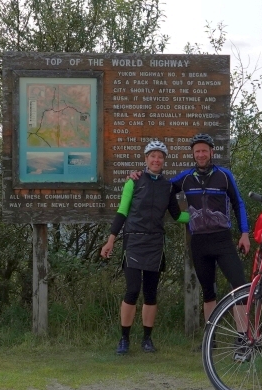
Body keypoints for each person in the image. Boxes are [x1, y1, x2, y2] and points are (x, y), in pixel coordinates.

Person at [127, 133, 251, 359]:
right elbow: (160, 186)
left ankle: (243, 341)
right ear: (193, 155)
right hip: (199, 242)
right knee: (208, 292)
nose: (201, 154)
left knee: (239, 286)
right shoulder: (185, 178)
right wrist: (137, 176)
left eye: (205, 150)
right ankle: (210, 341)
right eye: (197, 151)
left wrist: (245, 233)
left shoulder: (224, 176)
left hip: (222, 239)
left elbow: (238, 202)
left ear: (211, 152)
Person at [101, 140, 189, 355]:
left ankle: (147, 339)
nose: (156, 159)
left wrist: (202, 216)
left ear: (164, 160)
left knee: (150, 293)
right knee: (132, 290)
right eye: (152, 156)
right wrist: (111, 239)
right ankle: (124, 339)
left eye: (160, 156)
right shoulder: (134, 181)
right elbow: (122, 211)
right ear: (146, 159)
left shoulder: (168, 187)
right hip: (134, 241)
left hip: (155, 243)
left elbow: (178, 215)